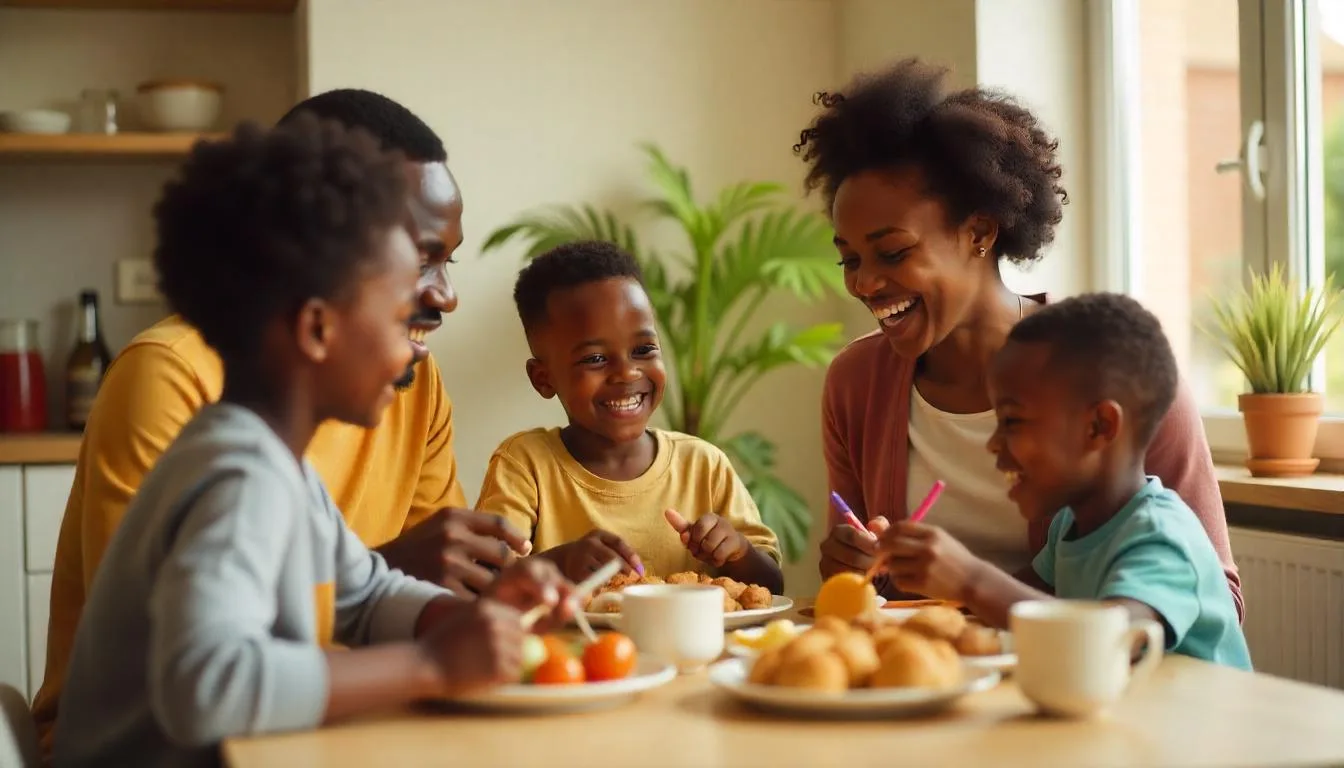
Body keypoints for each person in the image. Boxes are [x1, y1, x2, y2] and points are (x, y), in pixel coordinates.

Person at [52, 117, 575, 768]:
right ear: (318, 330)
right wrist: (429, 665)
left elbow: (368, 594)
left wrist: (466, 618)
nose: (410, 349)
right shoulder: (239, 480)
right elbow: (208, 687)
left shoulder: (273, 465)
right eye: (396, 317)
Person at [795, 57, 1242, 616]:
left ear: (979, 231)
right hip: (943, 666)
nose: (863, 283)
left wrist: (973, 586)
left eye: (893, 252)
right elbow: (873, 597)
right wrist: (857, 566)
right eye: (850, 259)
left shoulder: (1115, 372)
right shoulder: (855, 384)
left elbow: (1213, 597)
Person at [875, 293, 1251, 670]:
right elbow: (1022, 607)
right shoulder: (1070, 525)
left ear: (1099, 426)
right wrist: (931, 579)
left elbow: (1108, 641)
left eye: (1012, 421)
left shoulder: (1161, 539)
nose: (992, 443)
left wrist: (970, 578)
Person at [475, 241, 784, 592]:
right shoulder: (526, 464)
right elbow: (481, 580)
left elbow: (772, 586)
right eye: (595, 359)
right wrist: (557, 563)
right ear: (543, 378)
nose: (627, 373)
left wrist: (738, 552)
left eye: (643, 350)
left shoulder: (703, 465)